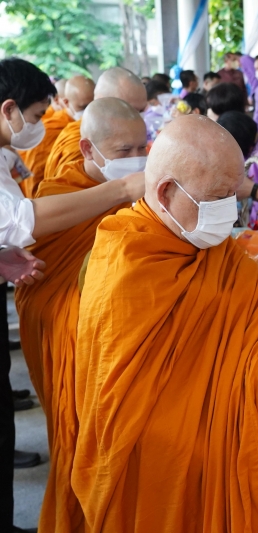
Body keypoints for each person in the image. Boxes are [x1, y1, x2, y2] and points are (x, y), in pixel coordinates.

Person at [73, 115, 258, 531]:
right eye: (218, 197)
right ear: (167, 193)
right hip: (161, 485)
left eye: (235, 195)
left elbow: (256, 314)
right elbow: (139, 430)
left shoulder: (212, 249)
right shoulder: (126, 268)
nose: (230, 210)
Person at [0, 57, 145, 533]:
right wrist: (121, 188)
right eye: (37, 115)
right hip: (58, 307)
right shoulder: (73, 176)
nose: (40, 126)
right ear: (8, 111)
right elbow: (21, 222)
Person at [45, 67, 148, 179]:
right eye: (127, 108)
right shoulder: (82, 144)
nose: (134, 116)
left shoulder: (135, 139)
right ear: (87, 149)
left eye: (141, 111)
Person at [18, 75, 95, 198]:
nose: (89, 110)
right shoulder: (49, 130)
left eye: (93, 104)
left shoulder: (96, 123)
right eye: (83, 107)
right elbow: (35, 174)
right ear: (65, 102)